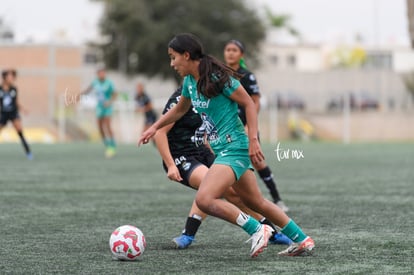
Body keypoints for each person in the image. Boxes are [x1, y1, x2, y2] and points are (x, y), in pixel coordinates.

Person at [139, 33, 314, 257]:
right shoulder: (190, 82)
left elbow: (249, 103)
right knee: (256, 201)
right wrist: (155, 127)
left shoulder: (217, 76)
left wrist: (253, 140)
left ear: (187, 55)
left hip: (234, 147)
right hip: (224, 149)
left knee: (205, 198)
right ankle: (302, 239)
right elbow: (180, 109)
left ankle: (258, 229)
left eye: (174, 58)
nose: (172, 64)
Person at [153, 87, 292, 249]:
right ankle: (256, 230)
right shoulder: (181, 98)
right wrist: (170, 165)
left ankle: (271, 232)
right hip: (181, 156)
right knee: (211, 186)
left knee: (237, 194)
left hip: (202, 152)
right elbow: (160, 133)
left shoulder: (210, 96)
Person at [223, 39, 289, 212]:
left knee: (258, 162)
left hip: (245, 127)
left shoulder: (247, 76)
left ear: (241, 55)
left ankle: (277, 199)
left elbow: (255, 102)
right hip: (226, 129)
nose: (230, 53)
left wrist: (249, 127)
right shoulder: (221, 75)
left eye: (234, 50)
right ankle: (230, 198)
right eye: (228, 50)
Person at [82, 67, 117, 158]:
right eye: (100, 73)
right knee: (100, 128)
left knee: (108, 126)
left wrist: (109, 102)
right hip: (99, 107)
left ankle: (112, 146)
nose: (101, 75)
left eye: (103, 73)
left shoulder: (109, 83)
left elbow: (115, 94)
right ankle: (107, 145)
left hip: (107, 107)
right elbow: (88, 90)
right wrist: (79, 96)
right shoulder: (95, 82)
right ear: (97, 74)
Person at [0, 69, 32, 160]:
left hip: (13, 113)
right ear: (5, 78)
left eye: (12, 77)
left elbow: (16, 102)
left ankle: (28, 152)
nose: (12, 79)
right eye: (10, 77)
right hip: (3, 114)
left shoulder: (14, 89)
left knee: (20, 132)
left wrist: (23, 109)